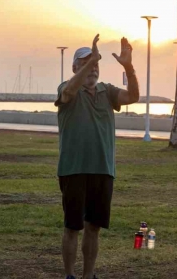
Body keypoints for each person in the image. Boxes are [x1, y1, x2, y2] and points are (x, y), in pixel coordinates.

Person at [55, 34, 139, 279]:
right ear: (75, 68)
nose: (92, 68)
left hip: (103, 170)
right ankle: (70, 275)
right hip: (73, 170)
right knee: (72, 227)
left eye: (95, 64)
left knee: (94, 227)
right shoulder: (66, 88)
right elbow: (69, 91)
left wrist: (128, 67)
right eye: (85, 63)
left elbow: (133, 97)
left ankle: (88, 275)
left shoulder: (108, 91)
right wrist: (91, 61)